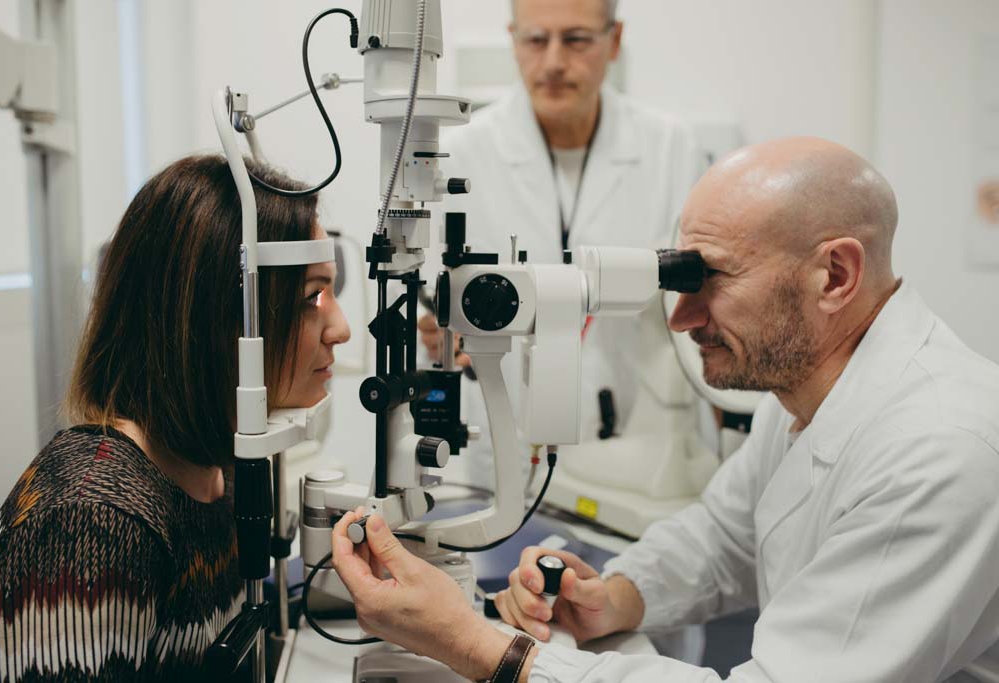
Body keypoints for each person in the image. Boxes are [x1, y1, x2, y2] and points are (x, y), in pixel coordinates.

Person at [331, 137, 999, 682]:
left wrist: (485, 647)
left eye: (711, 280)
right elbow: (723, 539)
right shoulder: (812, 385)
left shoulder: (940, 451)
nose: (680, 317)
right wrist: (616, 594)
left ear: (835, 276)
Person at [0, 155, 350, 681]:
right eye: (312, 296)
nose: (341, 328)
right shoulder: (93, 523)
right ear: (218, 317)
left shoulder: (223, 469)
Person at [420, 0, 707, 486]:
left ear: (613, 41)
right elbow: (431, 298)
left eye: (576, 39)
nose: (553, 62)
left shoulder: (670, 149)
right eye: (536, 40)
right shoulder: (466, 152)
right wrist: (436, 331)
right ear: (513, 40)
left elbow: (701, 302)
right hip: (502, 441)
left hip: (633, 446)